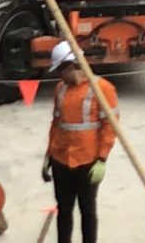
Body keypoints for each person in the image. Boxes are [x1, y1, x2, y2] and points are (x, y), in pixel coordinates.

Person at [42, 38, 118, 243]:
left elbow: (110, 126)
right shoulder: (61, 89)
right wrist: (49, 155)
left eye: (61, 70)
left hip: (87, 162)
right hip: (62, 160)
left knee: (88, 211)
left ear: (72, 66)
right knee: (64, 211)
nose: (60, 75)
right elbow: (57, 124)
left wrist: (102, 159)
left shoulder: (103, 89)